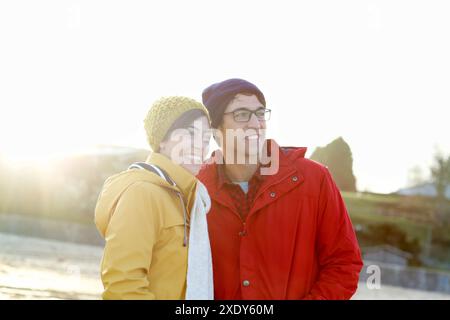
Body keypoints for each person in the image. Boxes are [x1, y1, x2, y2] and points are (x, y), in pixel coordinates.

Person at [197, 78, 363, 299]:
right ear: (216, 129)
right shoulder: (197, 189)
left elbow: (344, 263)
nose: (256, 124)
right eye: (242, 115)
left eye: (259, 113)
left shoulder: (314, 179)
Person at [95, 96, 213, 299]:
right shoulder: (142, 194)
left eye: (205, 139)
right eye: (190, 134)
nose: (200, 147)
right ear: (163, 141)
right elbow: (123, 286)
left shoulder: (191, 200)